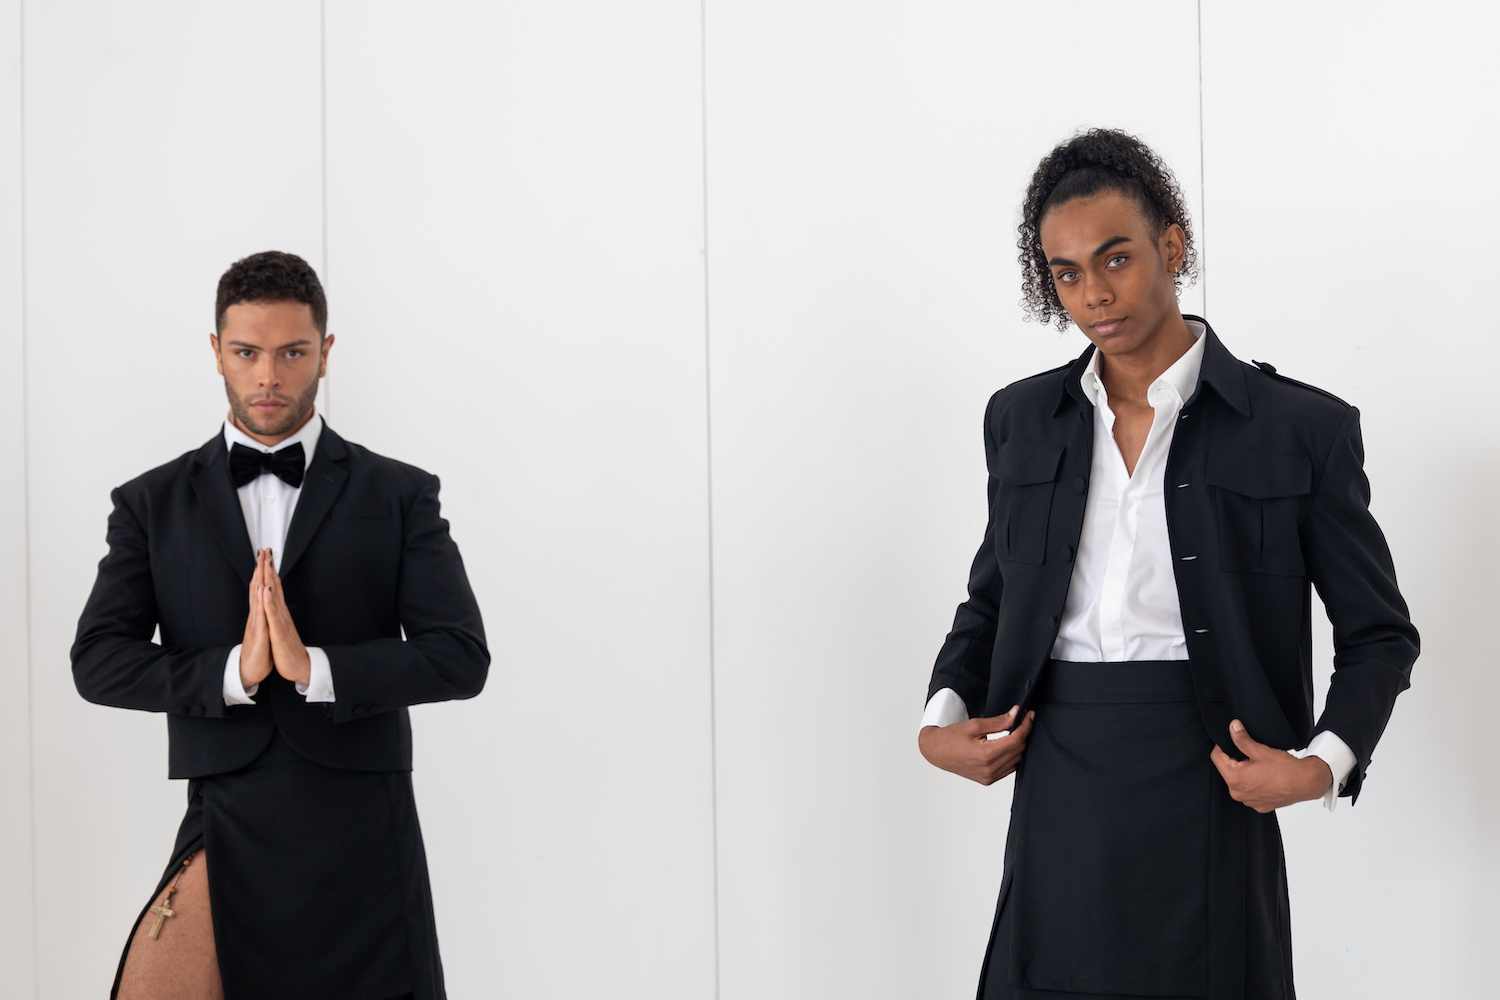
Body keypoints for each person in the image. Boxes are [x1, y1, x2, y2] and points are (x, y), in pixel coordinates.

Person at [918, 129, 1418, 1000]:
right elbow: (991, 599)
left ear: (1172, 246)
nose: (1093, 293)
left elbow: (1379, 634)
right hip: (1060, 775)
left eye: (1115, 258)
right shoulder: (1021, 419)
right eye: (1066, 272)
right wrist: (940, 716)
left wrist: (1323, 763)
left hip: (1212, 775)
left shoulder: (1300, 428)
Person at [72, 251, 489, 1000]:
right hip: (226, 815)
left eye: (293, 352)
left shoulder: (399, 494)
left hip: (363, 829)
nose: (269, 375)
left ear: (325, 353)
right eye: (247, 352)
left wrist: (315, 668)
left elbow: (460, 655)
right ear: (216, 354)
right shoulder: (151, 502)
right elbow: (98, 661)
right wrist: (237, 671)